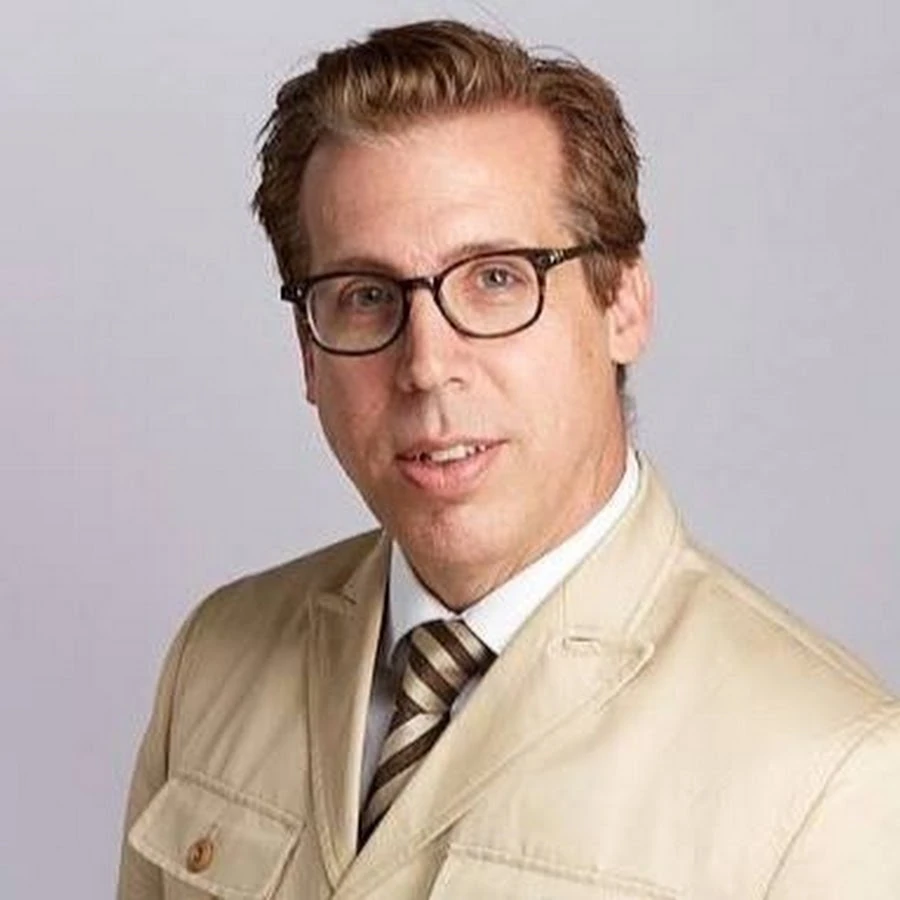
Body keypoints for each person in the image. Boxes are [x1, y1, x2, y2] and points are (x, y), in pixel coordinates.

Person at [117, 19, 900, 900]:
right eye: (366, 295)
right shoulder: (214, 660)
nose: (426, 364)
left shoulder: (828, 774)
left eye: (495, 277)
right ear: (307, 352)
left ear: (623, 303)